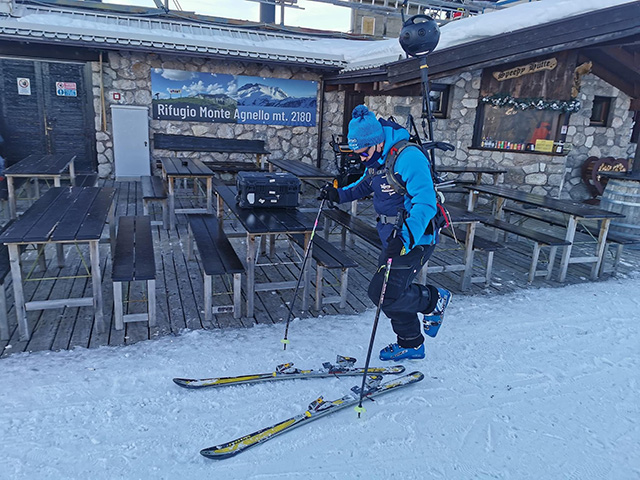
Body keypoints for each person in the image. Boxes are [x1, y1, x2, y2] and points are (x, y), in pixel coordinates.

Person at [319, 104, 451, 361]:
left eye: (363, 152)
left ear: (377, 142)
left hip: (415, 239)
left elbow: (425, 202)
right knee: (386, 293)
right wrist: (338, 194)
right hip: (392, 239)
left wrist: (405, 239)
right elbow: (364, 185)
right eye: (356, 153)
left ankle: (433, 300)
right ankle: (412, 344)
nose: (360, 157)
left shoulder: (409, 157)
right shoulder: (378, 160)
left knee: (386, 293)